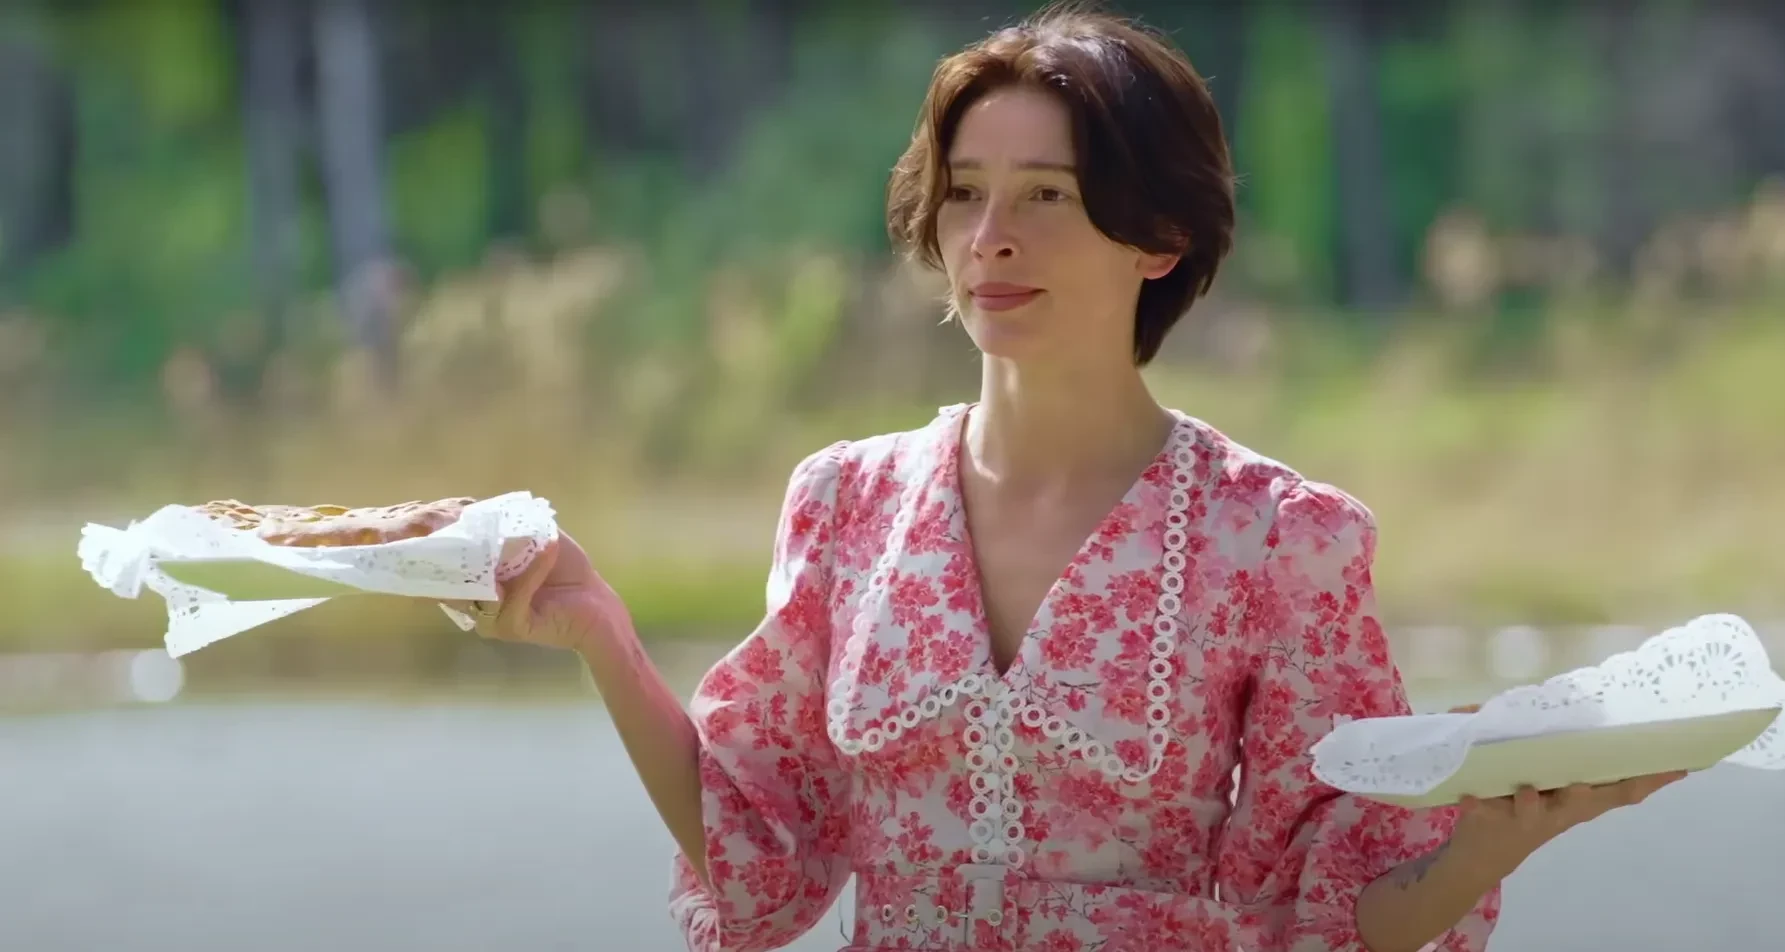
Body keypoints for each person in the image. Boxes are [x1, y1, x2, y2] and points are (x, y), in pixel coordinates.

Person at [458, 5, 1688, 951]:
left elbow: (1327, 914)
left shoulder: (1277, 538)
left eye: (1046, 196)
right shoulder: (844, 503)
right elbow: (755, 854)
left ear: (1159, 238)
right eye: (963, 194)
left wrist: (1489, 840)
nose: (990, 235)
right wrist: (602, 634)